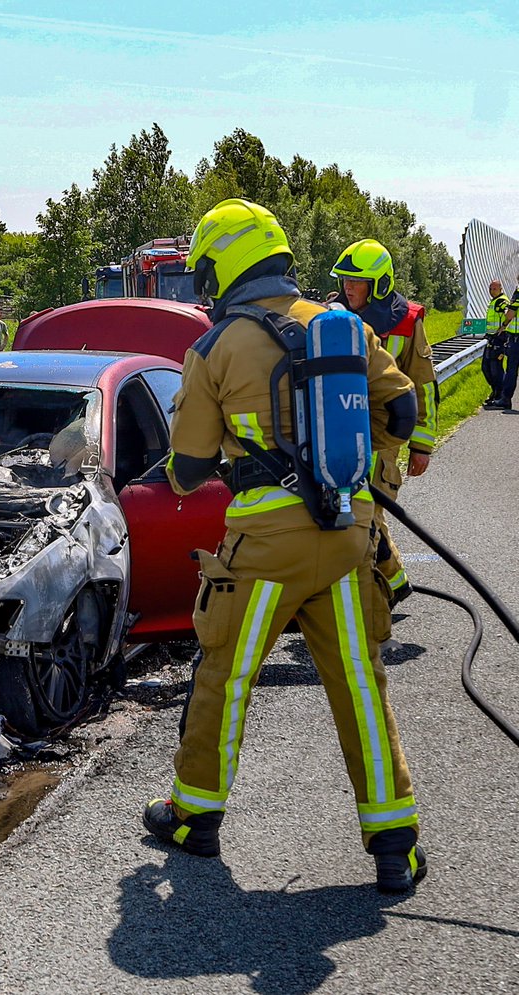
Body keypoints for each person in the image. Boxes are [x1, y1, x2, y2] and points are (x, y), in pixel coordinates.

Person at [141, 199, 426, 894]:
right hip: (350, 536)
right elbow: (405, 407)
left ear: (225, 265)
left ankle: (194, 816)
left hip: (265, 547)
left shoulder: (213, 348)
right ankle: (395, 842)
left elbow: (187, 469)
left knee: (226, 675)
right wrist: (366, 468)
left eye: (204, 270)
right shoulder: (345, 328)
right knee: (360, 682)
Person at [330, 239, 436, 605]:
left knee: (366, 517)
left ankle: (374, 601)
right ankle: (394, 583)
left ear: (378, 285)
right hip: (341, 430)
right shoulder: (333, 317)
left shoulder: (407, 323)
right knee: (363, 516)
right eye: (345, 279)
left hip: (386, 436)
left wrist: (422, 445)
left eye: (356, 281)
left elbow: (423, 385)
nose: (348, 287)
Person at [491, 274, 519, 411]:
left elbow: (511, 313)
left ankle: (505, 399)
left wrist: (504, 325)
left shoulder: (518, 292)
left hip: (516, 338)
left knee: (511, 370)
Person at [483, 279, 509, 405]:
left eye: (494, 289)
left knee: (496, 369)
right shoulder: (493, 301)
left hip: (500, 339)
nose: (491, 291)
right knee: (486, 367)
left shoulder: (502, 300)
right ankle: (495, 391)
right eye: (490, 288)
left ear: (500, 289)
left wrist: (504, 326)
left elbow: (509, 313)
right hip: (490, 338)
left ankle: (500, 395)